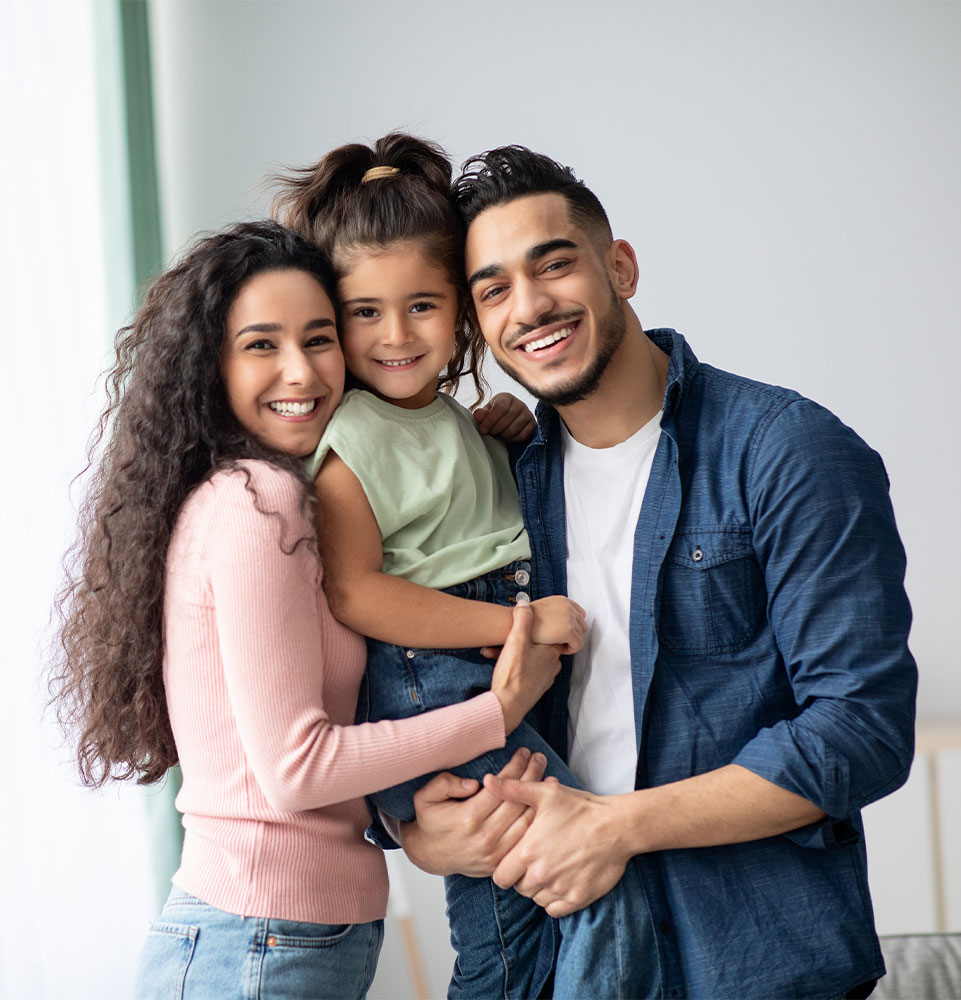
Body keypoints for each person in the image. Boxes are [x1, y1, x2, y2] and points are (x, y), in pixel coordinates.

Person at [398, 146, 919, 1000]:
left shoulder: (785, 451)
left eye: (553, 264)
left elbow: (860, 729)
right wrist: (413, 828)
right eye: (492, 289)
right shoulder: (496, 482)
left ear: (620, 267)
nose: (529, 306)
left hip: (751, 962)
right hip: (553, 957)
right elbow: (412, 676)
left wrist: (615, 829)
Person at [48, 220, 562, 1000]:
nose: (301, 370)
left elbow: (298, 772)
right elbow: (296, 771)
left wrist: (408, 825)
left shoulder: (291, 497)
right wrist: (496, 711)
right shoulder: (258, 504)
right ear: (208, 365)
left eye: (318, 339)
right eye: (261, 344)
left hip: (281, 936)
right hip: (255, 941)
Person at [272, 133, 655, 1000]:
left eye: (422, 305)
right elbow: (356, 590)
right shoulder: (353, 439)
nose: (395, 335)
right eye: (364, 312)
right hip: (436, 679)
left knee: (515, 928)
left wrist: (498, 435)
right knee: (581, 892)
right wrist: (516, 627)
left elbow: (451, 516)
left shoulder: (451, 418)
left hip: (467, 673)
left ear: (459, 314)